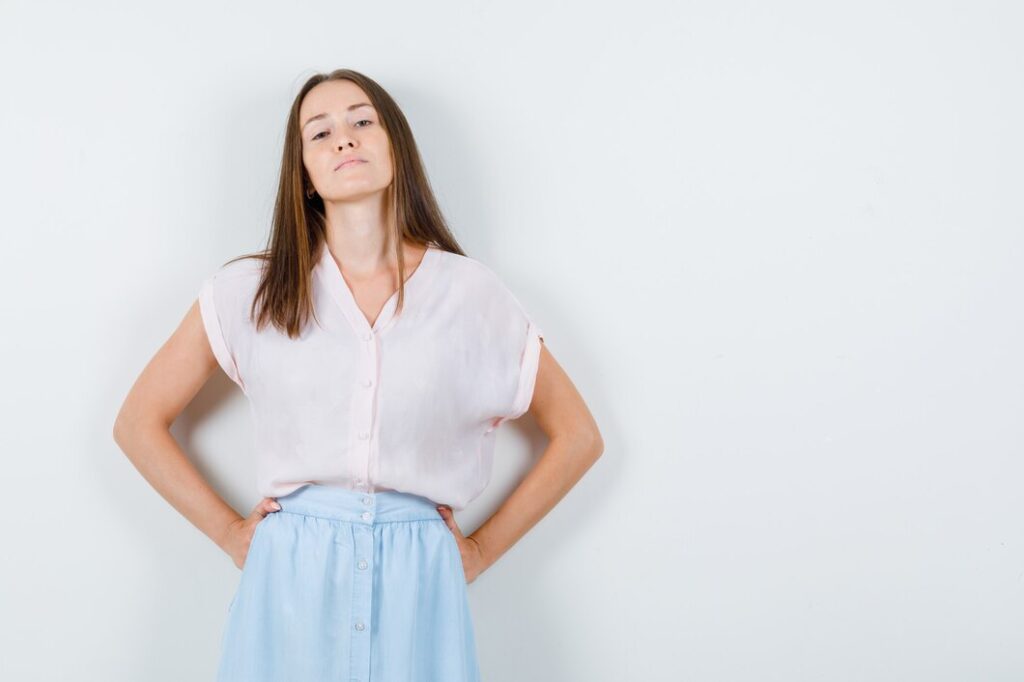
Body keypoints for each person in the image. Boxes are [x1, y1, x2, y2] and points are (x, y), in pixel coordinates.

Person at [112, 69, 604, 681]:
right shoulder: (252, 292)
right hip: (289, 578)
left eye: (362, 120)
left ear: (395, 144)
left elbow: (580, 436)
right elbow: (137, 422)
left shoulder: (471, 294)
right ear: (306, 175)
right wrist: (228, 532)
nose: (344, 139)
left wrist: (478, 551)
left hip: (419, 579)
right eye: (320, 133)